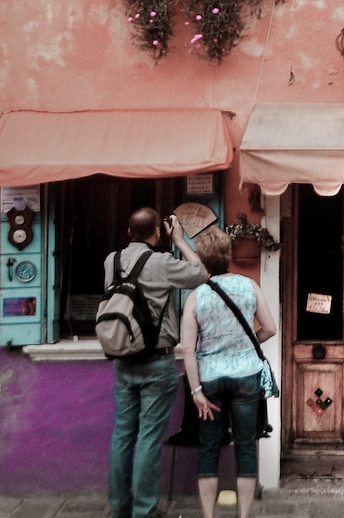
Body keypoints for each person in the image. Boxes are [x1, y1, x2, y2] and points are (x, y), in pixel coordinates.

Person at [106, 206, 206, 518]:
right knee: (148, 439)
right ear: (158, 232)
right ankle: (144, 512)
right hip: (157, 362)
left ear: (128, 232)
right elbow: (201, 273)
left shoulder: (111, 260)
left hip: (123, 360)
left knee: (122, 436)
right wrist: (179, 240)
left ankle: (120, 509)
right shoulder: (161, 262)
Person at [180, 226, 277, 518]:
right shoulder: (249, 286)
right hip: (246, 376)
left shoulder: (196, 297)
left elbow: (188, 349)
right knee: (246, 446)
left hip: (209, 380)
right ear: (229, 254)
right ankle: (243, 515)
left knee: (209, 447)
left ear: (202, 259)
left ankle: (209, 516)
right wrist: (246, 345)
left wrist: (196, 391)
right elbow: (270, 329)